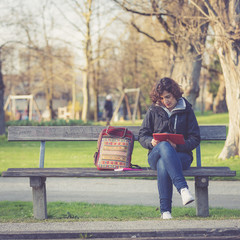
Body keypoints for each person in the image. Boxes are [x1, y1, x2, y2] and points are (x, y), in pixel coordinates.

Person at [138, 77, 200, 220]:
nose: (165, 101)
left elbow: (195, 138)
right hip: (155, 154)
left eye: (168, 97)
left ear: (175, 94)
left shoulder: (186, 109)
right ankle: (183, 189)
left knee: (163, 163)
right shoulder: (154, 109)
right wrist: (151, 142)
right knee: (164, 145)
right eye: (161, 98)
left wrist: (178, 145)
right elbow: (142, 135)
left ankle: (165, 212)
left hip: (182, 157)